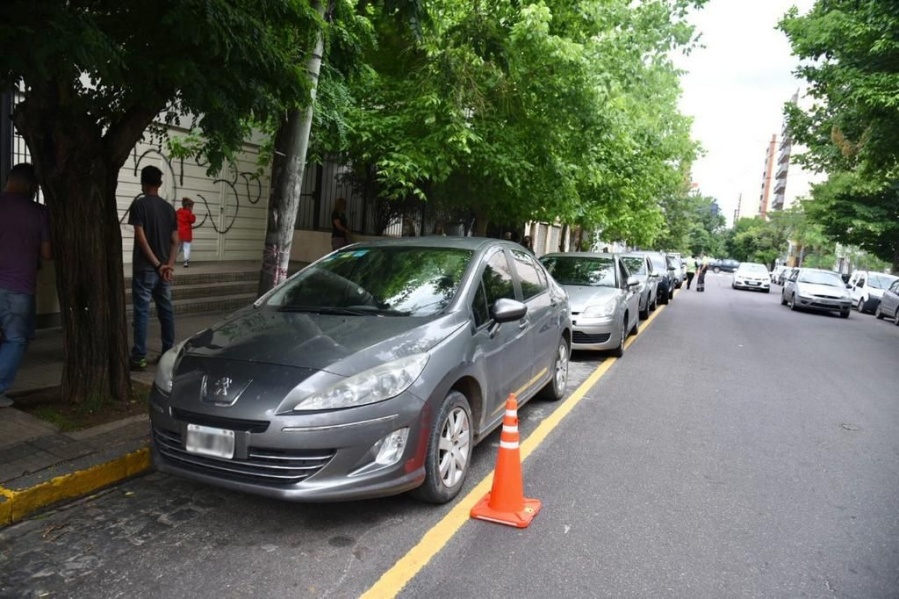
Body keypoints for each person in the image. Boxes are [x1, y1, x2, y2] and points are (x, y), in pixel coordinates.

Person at [0, 164, 51, 408]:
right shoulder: (39, 213)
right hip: (18, 286)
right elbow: (47, 253)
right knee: (16, 339)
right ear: (32, 185)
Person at [128, 166, 178, 371]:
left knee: (142, 313)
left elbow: (141, 238)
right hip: (164, 269)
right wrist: (168, 266)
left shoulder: (139, 206)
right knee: (166, 310)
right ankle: (168, 352)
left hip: (145, 268)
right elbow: (176, 240)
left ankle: (139, 356)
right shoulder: (169, 208)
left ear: (143, 182)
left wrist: (157, 265)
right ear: (159, 183)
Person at [176, 197, 196, 267]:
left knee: (177, 246)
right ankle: (185, 262)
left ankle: (171, 259)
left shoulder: (178, 212)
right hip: (186, 233)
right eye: (191, 207)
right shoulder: (188, 213)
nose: (192, 208)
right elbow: (192, 220)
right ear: (188, 206)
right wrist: (193, 215)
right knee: (186, 247)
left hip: (179, 233)